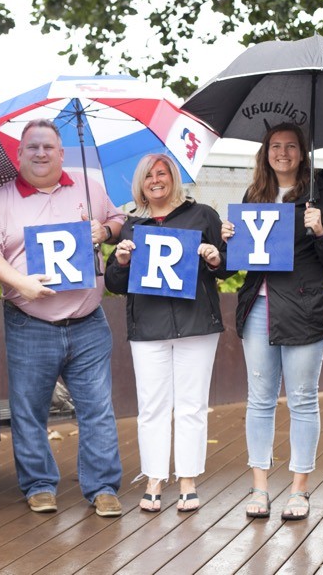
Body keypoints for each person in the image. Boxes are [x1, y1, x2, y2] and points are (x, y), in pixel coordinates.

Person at [0, 118, 126, 517]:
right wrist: (19, 282)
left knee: (97, 408)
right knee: (29, 410)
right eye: (32, 147)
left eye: (48, 147)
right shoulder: (0, 198)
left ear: (61, 152)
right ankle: (39, 484)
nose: (40, 153)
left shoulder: (88, 186)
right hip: (30, 321)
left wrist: (103, 232)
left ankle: (103, 486)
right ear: (19, 154)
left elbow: (117, 220)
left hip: (88, 319)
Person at [222, 122, 323, 520]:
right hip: (259, 307)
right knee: (259, 400)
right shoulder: (255, 193)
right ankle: (259, 488)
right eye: (275, 146)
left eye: (291, 146)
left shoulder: (322, 194)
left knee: (302, 399)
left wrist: (321, 230)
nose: (282, 153)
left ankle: (299, 489)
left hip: (304, 309)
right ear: (266, 152)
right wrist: (230, 240)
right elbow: (240, 264)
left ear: (303, 152)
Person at [104, 153, 227, 512]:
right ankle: (155, 478)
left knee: (192, 405)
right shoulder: (131, 225)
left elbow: (227, 264)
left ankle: (188, 479)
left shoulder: (202, 214)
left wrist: (214, 257)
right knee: (152, 407)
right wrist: (121, 260)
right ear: (140, 184)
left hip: (196, 324)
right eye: (148, 176)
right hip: (148, 326)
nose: (155, 180)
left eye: (162, 173)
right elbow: (115, 283)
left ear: (173, 177)